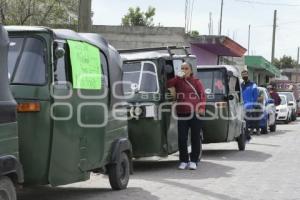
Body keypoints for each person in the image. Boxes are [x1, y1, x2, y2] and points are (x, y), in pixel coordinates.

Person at [167, 62, 206, 170]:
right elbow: (168, 84)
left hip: (195, 113)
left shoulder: (196, 82)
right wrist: (177, 77)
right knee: (182, 138)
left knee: (195, 137)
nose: (184, 70)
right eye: (182, 68)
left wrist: (202, 107)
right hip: (182, 113)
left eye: (186, 68)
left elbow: (202, 95)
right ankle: (184, 160)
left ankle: (194, 160)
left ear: (191, 70)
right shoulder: (178, 81)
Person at [241, 70, 259, 138]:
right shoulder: (241, 85)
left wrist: (253, 104)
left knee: (249, 119)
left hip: (250, 105)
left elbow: (255, 95)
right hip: (243, 106)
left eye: (245, 74)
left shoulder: (253, 84)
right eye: (243, 75)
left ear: (248, 75)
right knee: (245, 119)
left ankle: (251, 131)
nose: (244, 76)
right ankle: (247, 132)